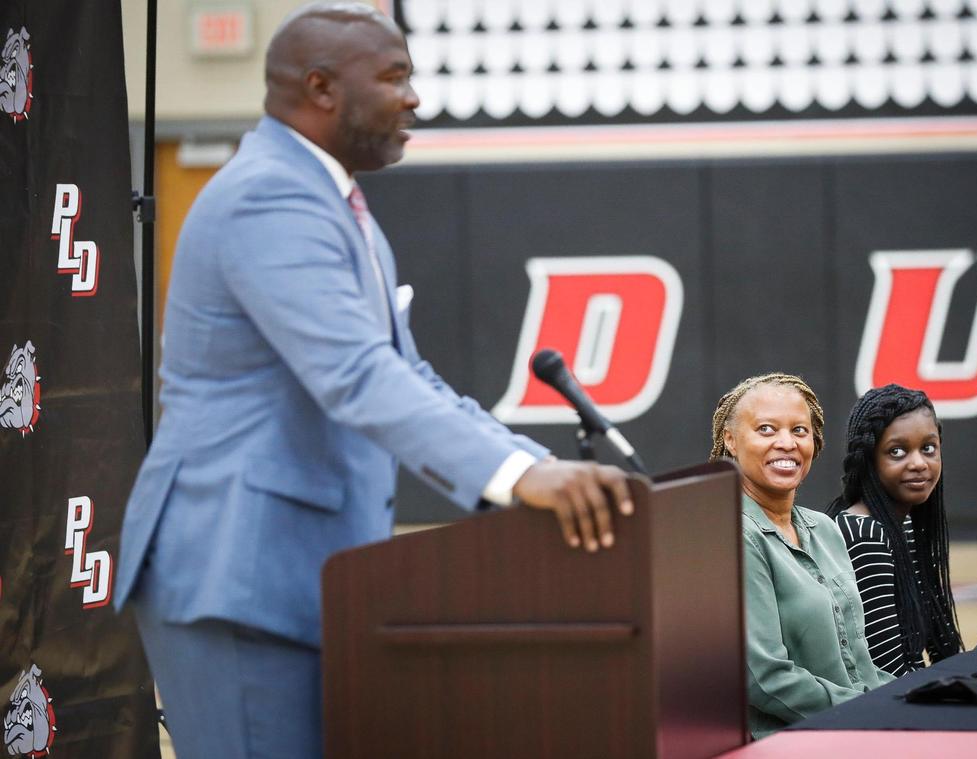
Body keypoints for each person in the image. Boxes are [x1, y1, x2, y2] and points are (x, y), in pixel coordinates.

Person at [112, 5, 633, 758]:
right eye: (394, 77)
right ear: (321, 88)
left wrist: (535, 464)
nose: (413, 97)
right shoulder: (271, 197)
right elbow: (354, 376)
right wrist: (521, 476)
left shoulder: (333, 200)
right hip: (237, 577)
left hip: (302, 578)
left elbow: (404, 372)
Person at [709, 373, 894, 739]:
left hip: (859, 728)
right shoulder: (732, 535)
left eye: (799, 430)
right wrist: (871, 711)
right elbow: (764, 678)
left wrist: (905, 696)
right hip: (793, 743)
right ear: (730, 440)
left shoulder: (824, 528)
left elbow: (859, 663)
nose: (786, 443)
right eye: (765, 429)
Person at [825, 384, 964, 677]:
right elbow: (886, 672)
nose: (918, 463)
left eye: (928, 448)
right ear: (869, 460)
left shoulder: (906, 525)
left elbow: (939, 643)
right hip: (879, 710)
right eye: (897, 451)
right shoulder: (864, 533)